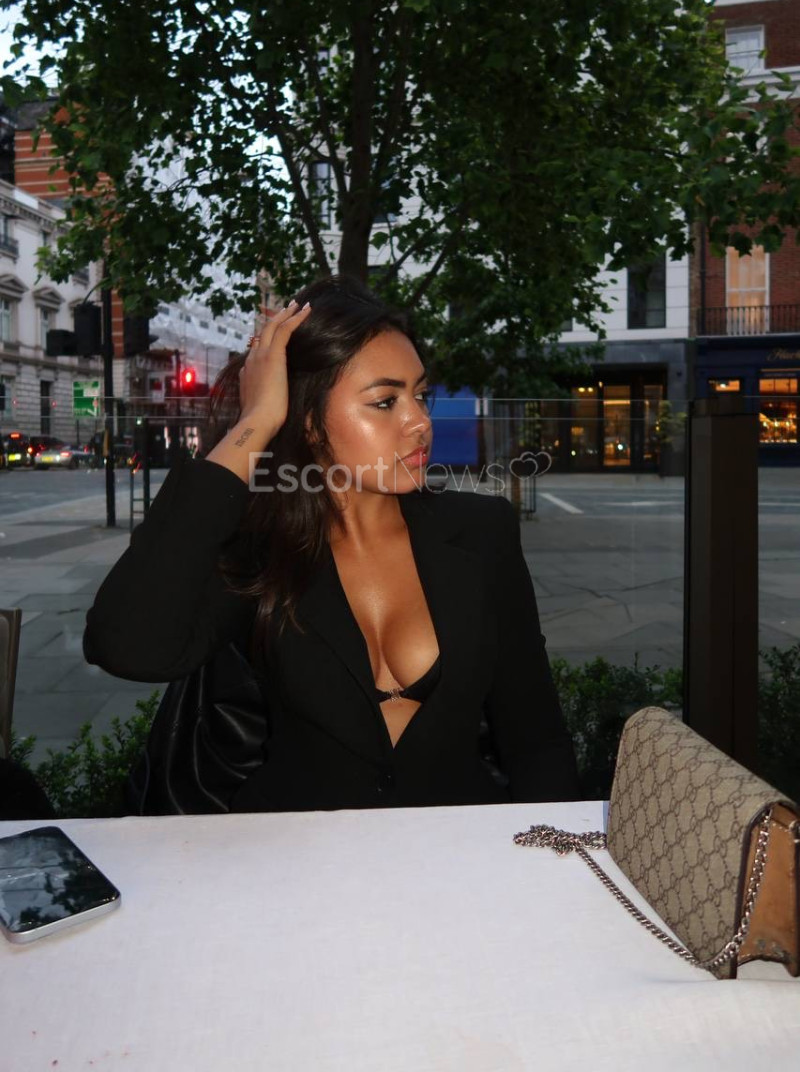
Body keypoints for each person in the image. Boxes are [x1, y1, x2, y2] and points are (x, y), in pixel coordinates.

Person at [83, 276, 580, 812]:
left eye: (420, 395)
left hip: (455, 847)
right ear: (310, 423)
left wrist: (555, 850)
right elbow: (128, 645)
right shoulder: (263, 550)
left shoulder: (481, 532)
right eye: (385, 401)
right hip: (296, 850)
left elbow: (536, 735)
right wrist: (256, 422)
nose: (419, 421)